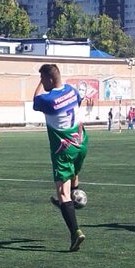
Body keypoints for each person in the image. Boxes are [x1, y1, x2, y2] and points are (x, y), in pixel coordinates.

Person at [32, 63, 87, 252]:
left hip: (63, 148)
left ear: (48, 79)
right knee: (73, 173)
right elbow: (77, 103)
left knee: (62, 193)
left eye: (43, 78)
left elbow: (35, 100)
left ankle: (75, 232)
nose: (42, 82)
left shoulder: (48, 100)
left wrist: (41, 83)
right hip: (81, 142)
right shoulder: (72, 90)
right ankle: (75, 196)